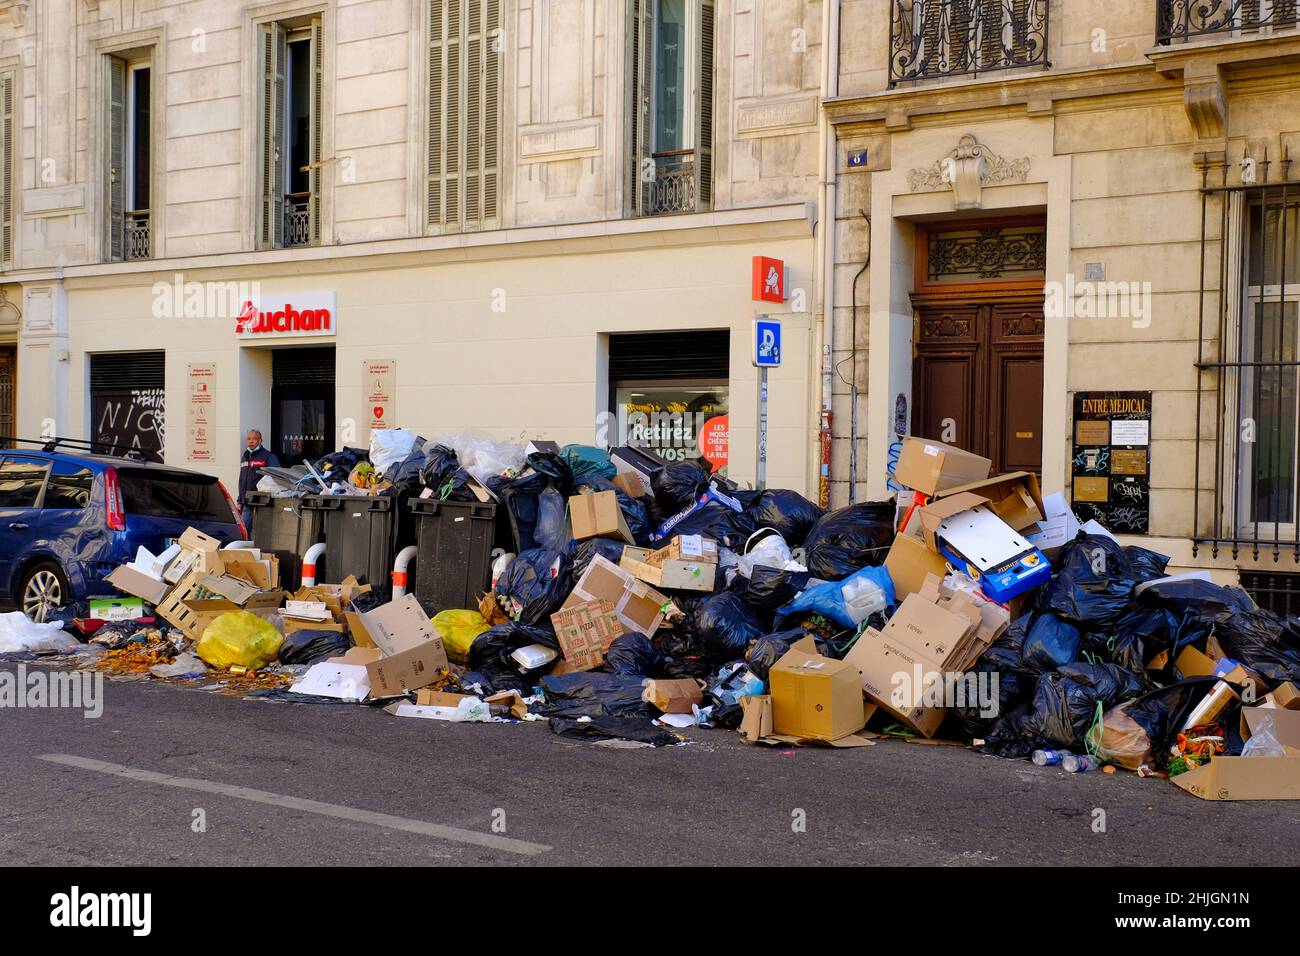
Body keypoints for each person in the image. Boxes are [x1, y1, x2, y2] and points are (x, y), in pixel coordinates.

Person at [237, 430, 279, 533]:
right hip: (246, 501)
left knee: (246, 531)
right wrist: (240, 500)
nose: (251, 441)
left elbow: (276, 478)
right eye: (249, 439)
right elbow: (242, 479)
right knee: (246, 531)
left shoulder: (268, 457)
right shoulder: (245, 455)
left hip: (260, 502)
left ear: (260, 441)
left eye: (254, 439)